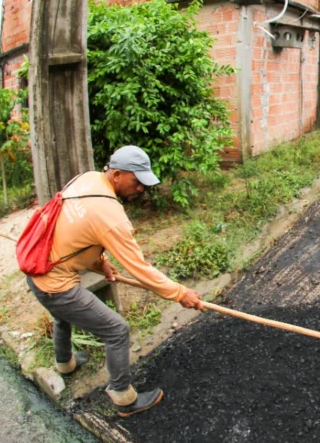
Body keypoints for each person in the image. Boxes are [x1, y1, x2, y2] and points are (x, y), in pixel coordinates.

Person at [26, 146, 204, 417]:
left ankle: (65, 364)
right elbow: (139, 268)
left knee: (62, 317)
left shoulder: (86, 179)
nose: (141, 189)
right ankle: (123, 397)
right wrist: (180, 293)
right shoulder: (111, 216)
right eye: (136, 181)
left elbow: (75, 233)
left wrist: (100, 263)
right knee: (117, 330)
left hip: (36, 269)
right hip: (55, 285)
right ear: (117, 174)